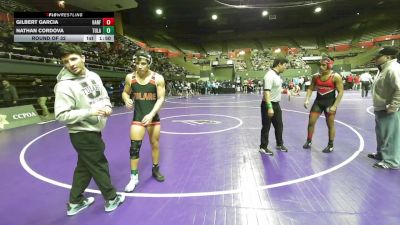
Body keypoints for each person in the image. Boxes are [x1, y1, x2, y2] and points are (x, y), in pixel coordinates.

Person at [53, 44, 125, 216]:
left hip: (94, 129)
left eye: (73, 58)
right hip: (82, 133)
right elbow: (61, 115)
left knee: (84, 168)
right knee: (99, 164)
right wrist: (90, 112)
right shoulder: (64, 86)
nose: (70, 64)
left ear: (83, 57)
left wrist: (107, 106)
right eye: (65, 61)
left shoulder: (94, 76)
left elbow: (103, 96)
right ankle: (111, 198)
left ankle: (75, 202)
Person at [122, 50, 166, 192]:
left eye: (143, 63)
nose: (140, 66)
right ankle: (134, 177)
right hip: (138, 117)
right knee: (134, 147)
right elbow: (125, 92)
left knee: (154, 144)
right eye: (137, 63)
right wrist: (126, 99)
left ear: (148, 63)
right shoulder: (130, 77)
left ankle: (155, 169)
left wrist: (152, 114)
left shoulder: (157, 78)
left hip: (153, 118)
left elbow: (161, 98)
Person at [303, 55, 344, 153]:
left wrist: (334, 106)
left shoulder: (335, 77)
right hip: (318, 102)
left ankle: (330, 145)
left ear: (329, 66)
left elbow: (341, 92)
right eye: (320, 65)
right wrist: (307, 99)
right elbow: (310, 88)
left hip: (329, 104)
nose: (321, 67)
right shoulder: (316, 76)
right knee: (311, 122)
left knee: (330, 125)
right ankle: (309, 141)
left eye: (324, 65)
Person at [369, 46, 400, 169]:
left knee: (390, 136)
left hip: (389, 109)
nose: (375, 58)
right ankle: (381, 154)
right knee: (381, 134)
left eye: (378, 56)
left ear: (388, 57)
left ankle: (391, 161)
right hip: (381, 107)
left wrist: (393, 106)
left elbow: (399, 89)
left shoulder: (393, 69)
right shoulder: (383, 68)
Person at [259, 57, 289, 156]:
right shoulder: (269, 76)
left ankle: (279, 144)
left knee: (279, 125)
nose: (285, 67)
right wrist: (269, 107)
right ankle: (263, 147)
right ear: (279, 64)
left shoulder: (277, 75)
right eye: (284, 65)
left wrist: (286, 91)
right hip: (268, 104)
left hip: (276, 104)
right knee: (266, 127)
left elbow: (276, 89)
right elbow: (266, 92)